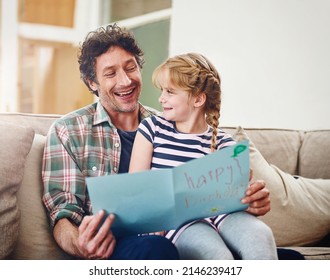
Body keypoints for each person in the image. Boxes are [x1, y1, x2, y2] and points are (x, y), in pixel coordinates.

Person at [42, 23, 271, 260]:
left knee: (286, 258)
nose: (125, 81)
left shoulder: (171, 122)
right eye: (110, 73)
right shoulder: (68, 131)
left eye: (130, 68)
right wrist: (80, 242)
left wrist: (247, 199)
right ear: (92, 83)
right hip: (122, 245)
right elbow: (62, 213)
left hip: (191, 231)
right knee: (157, 249)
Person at [129, 53, 278, 259]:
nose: (161, 98)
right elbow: (137, 186)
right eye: (162, 90)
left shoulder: (225, 143)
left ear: (198, 99)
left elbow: (237, 192)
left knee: (260, 236)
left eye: (170, 92)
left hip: (224, 215)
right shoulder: (152, 128)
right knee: (216, 254)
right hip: (180, 221)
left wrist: (249, 196)